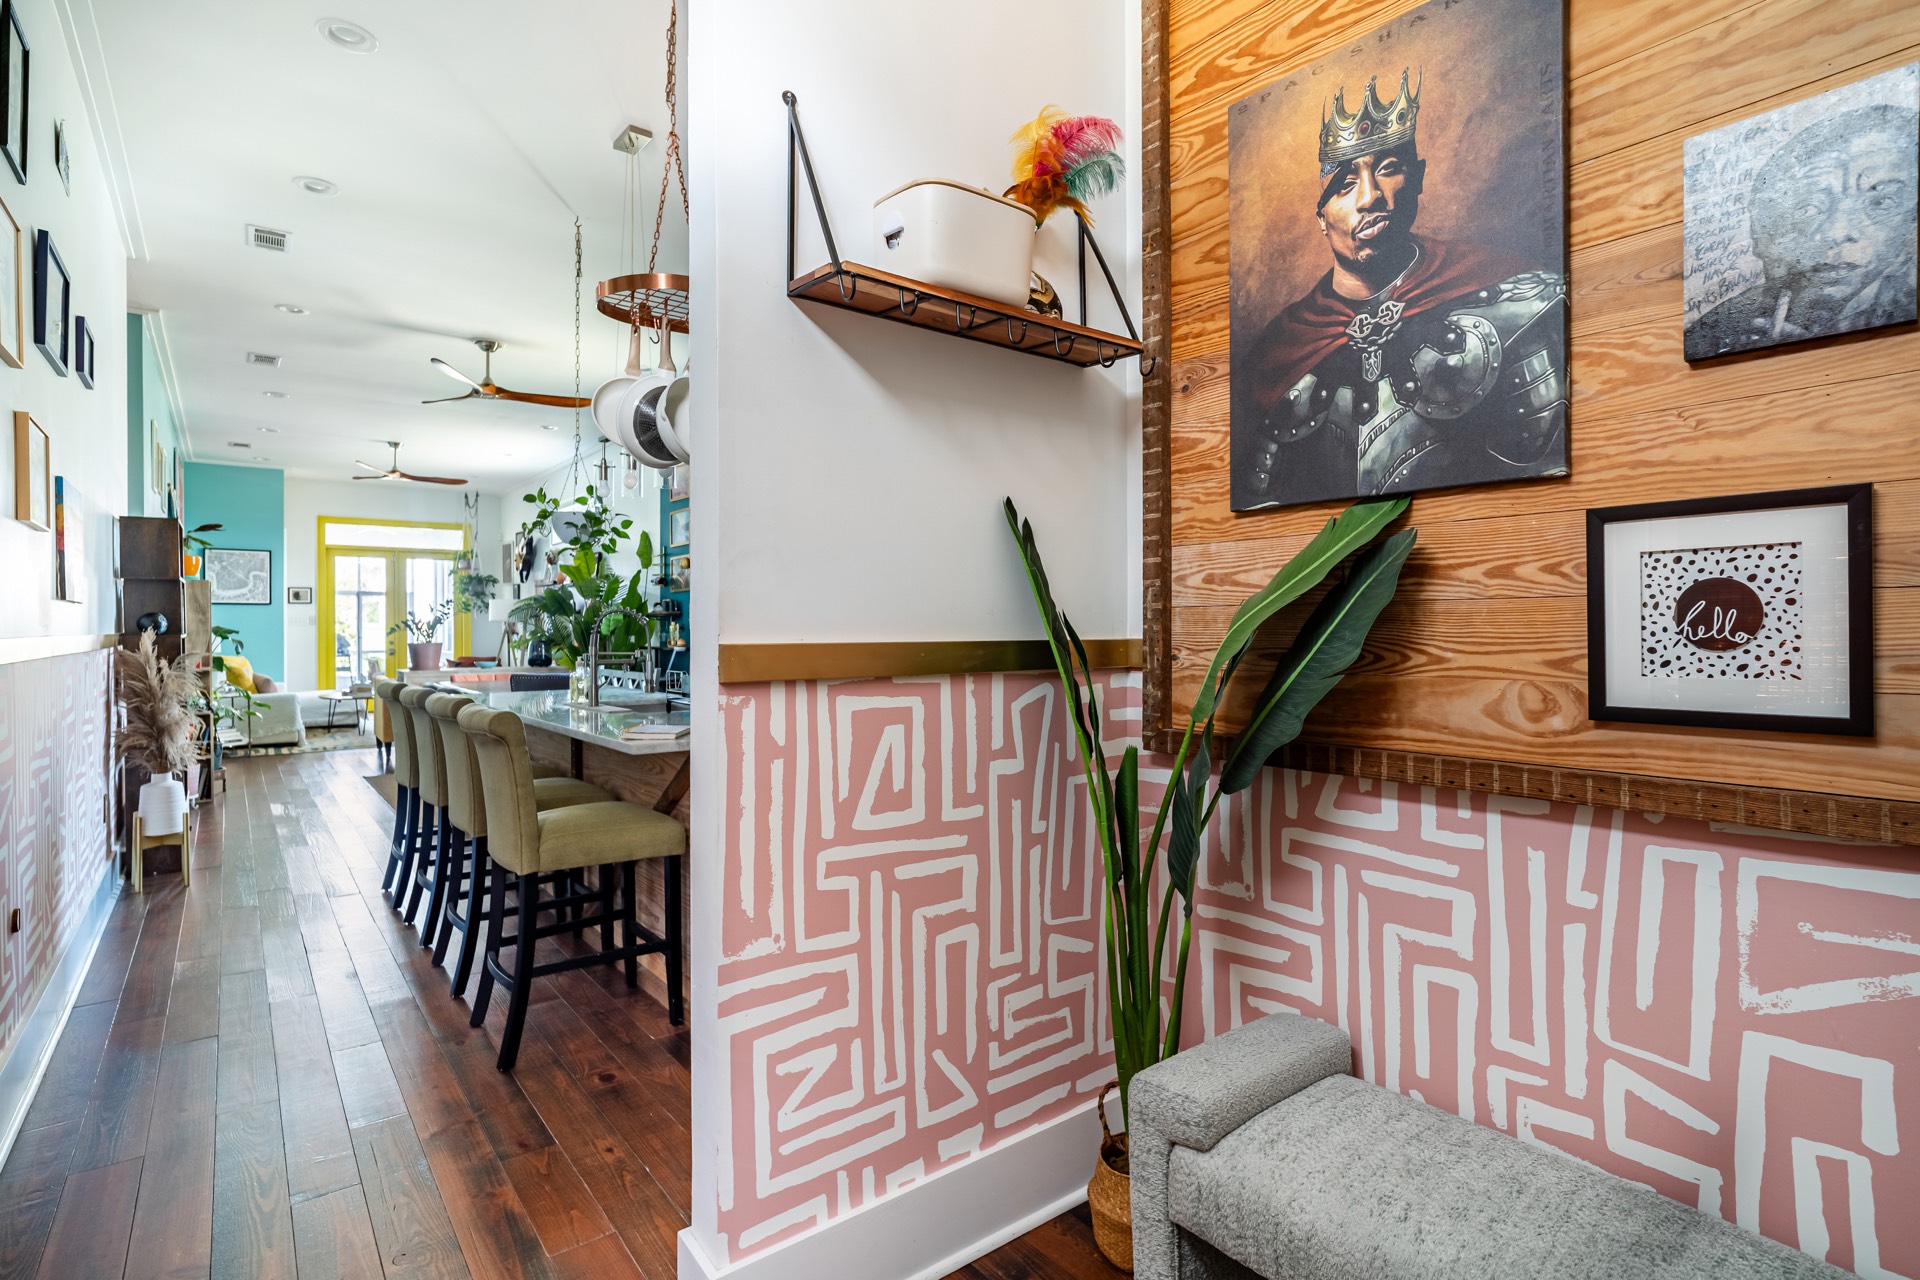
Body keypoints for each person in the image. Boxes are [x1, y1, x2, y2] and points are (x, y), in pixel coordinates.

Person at [1233, 70, 1569, 510]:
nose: (1371, 197)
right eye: (1345, 184)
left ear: (1419, 178)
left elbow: (1542, 478)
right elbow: (1262, 504)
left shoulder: (1512, 301)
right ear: (1321, 216)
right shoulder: (1283, 346)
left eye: (1389, 169)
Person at [1687, 103, 1918, 360]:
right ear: (1762, 235)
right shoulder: (1720, 329)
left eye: (1880, 202)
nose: (1836, 233)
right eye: (1809, 209)